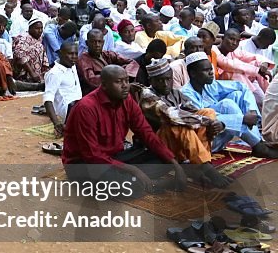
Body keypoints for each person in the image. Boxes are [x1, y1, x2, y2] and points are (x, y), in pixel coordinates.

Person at [62, 65, 187, 198]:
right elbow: (92, 155)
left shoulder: (127, 100)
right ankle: (147, 184)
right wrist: (134, 170)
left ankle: (137, 182)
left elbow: (146, 133)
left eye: (127, 80)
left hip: (115, 156)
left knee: (164, 158)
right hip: (85, 163)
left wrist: (174, 163)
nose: (125, 86)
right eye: (118, 82)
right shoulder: (86, 108)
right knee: (118, 183)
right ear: (104, 85)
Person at [136, 58, 232, 188]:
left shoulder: (175, 93)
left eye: (168, 79)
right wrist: (207, 122)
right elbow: (171, 115)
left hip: (176, 142)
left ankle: (202, 162)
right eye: (159, 80)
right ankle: (205, 167)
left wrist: (213, 122)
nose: (165, 84)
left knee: (207, 112)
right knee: (179, 124)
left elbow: (193, 111)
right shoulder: (147, 95)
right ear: (151, 81)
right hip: (156, 143)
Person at [182, 53, 278, 159]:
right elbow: (203, 119)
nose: (211, 73)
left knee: (236, 94)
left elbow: (241, 86)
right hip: (202, 142)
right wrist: (242, 119)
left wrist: (252, 110)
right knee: (227, 104)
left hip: (220, 134)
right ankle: (258, 145)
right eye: (206, 70)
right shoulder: (186, 94)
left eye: (211, 69)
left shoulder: (209, 85)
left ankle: (257, 142)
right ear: (193, 73)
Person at [42, 41, 82, 137]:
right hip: (68, 110)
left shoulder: (72, 66)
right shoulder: (55, 73)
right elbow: (48, 99)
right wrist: (56, 123)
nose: (74, 57)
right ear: (60, 54)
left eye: (76, 54)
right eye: (70, 54)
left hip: (79, 106)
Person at [12, 19, 49, 87]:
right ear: (30, 29)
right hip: (23, 72)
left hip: (36, 71)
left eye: (41, 28)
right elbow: (20, 56)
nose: (40, 31)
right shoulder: (23, 38)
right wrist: (32, 73)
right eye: (37, 28)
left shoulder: (39, 38)